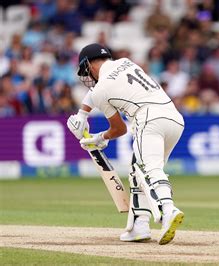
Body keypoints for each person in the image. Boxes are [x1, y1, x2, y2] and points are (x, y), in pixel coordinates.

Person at [66, 43, 185, 245]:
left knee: (148, 170)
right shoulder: (126, 63)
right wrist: (82, 113)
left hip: (149, 120)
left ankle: (168, 210)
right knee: (138, 170)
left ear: (89, 64)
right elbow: (96, 93)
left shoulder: (100, 90)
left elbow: (119, 129)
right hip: (174, 119)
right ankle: (139, 226)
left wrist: (99, 138)